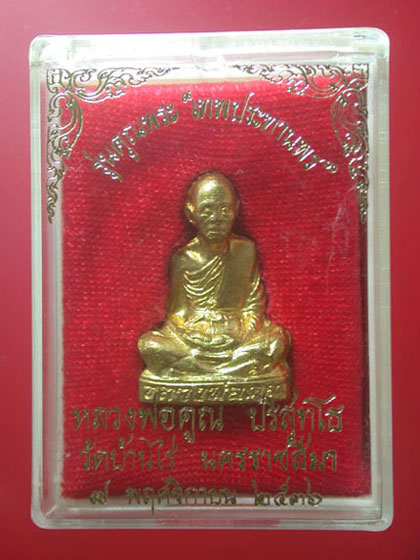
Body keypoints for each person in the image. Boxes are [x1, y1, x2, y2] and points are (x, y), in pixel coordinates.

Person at [138, 171, 290, 384]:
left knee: (276, 341)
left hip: (237, 333)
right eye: (207, 210)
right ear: (191, 213)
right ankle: (227, 370)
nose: (216, 218)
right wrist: (194, 335)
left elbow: (254, 304)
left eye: (224, 209)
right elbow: (177, 313)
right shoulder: (183, 258)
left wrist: (242, 334)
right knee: (149, 345)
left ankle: (202, 370)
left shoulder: (246, 250)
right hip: (195, 337)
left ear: (236, 209)